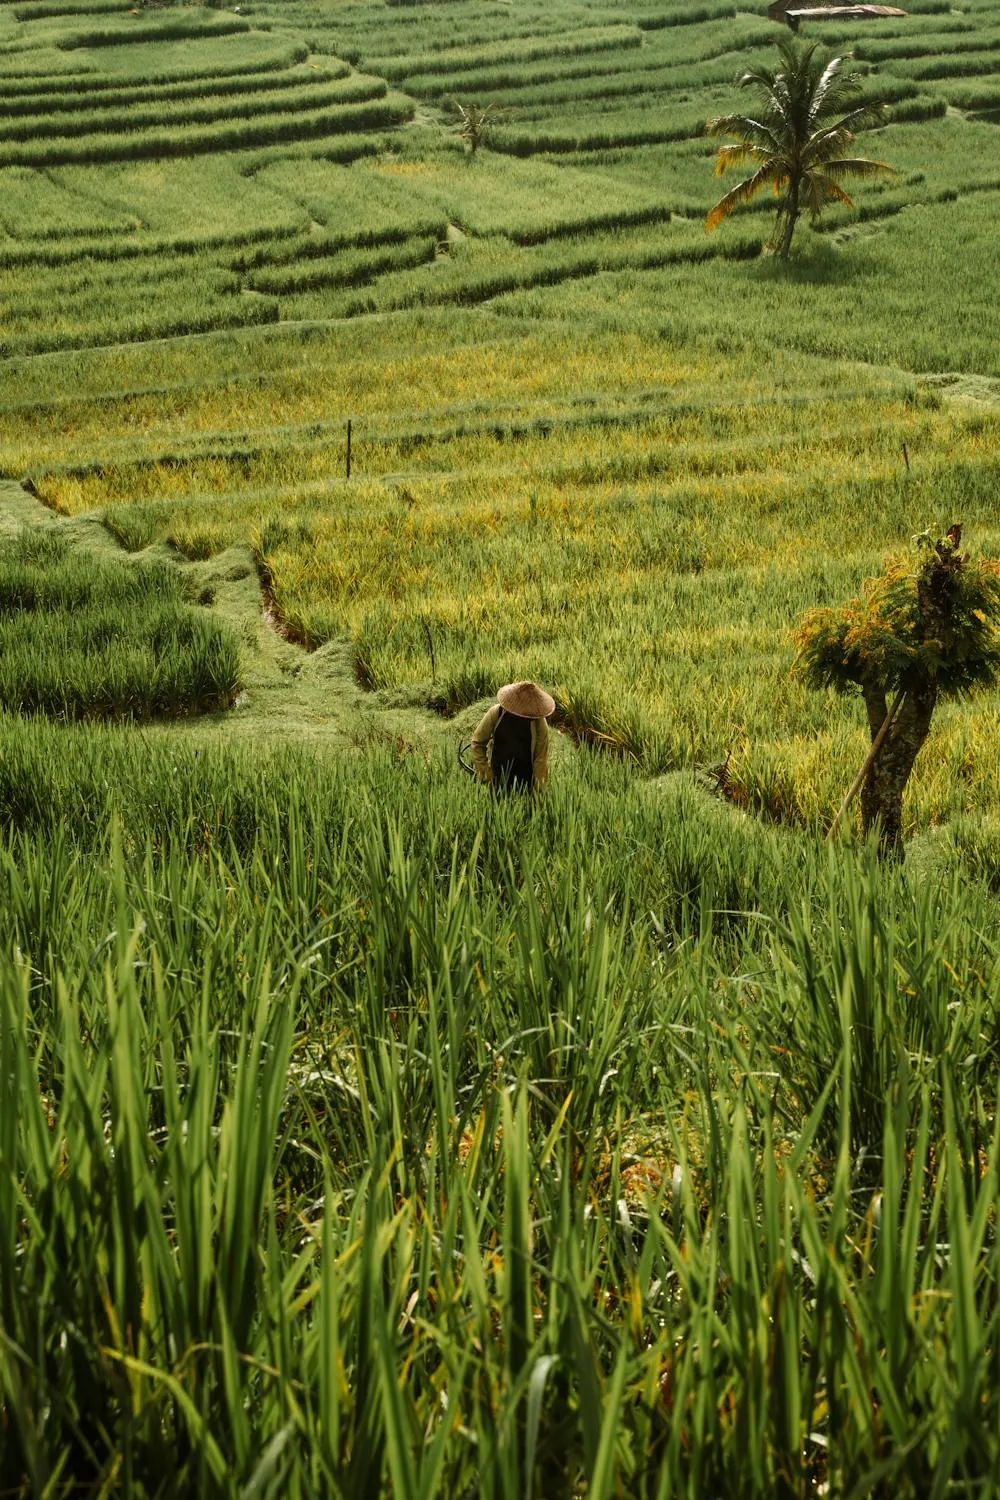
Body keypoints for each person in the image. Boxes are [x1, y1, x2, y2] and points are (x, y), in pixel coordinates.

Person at [471, 680, 554, 791]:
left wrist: (539, 795)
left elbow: (540, 760)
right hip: (497, 777)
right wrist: (486, 773)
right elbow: (477, 743)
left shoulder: (539, 723)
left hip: (525, 783)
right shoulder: (496, 713)